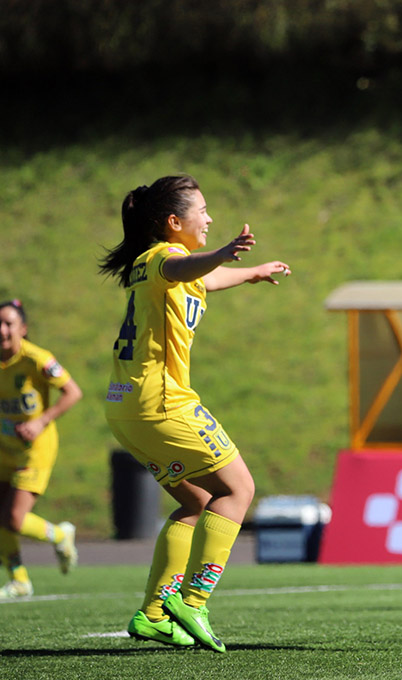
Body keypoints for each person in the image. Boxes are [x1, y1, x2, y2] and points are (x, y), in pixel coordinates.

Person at [99, 175, 290, 651]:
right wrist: (224, 251)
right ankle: (195, 600)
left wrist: (251, 270)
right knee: (239, 489)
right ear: (173, 222)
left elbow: (201, 277)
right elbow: (189, 269)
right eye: (202, 210)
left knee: (196, 503)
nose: (208, 217)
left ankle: (154, 613)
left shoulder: (152, 264)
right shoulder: (165, 257)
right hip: (164, 403)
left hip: (126, 406)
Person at [0, 299, 82, 599]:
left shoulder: (37, 359)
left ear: (23, 329)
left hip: (35, 449)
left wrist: (40, 421)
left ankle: (60, 535)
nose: (2, 330)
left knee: (13, 519)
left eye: (9, 323)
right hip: (4, 448)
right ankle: (19, 580)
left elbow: (73, 392)